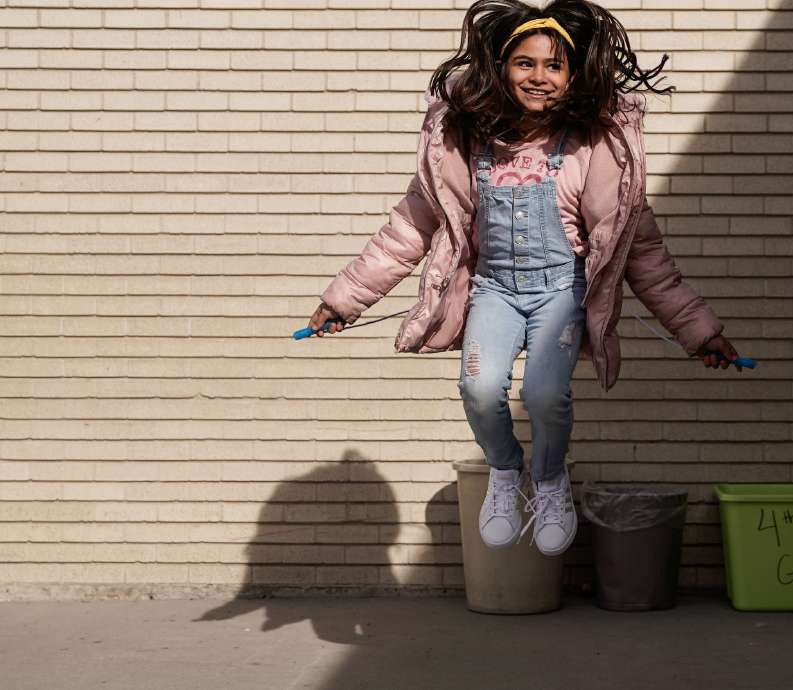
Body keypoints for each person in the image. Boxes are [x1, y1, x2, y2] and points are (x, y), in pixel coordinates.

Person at [306, 0, 738, 558]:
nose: (539, 76)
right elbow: (406, 231)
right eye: (525, 63)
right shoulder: (465, 147)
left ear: (574, 74)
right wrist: (343, 301)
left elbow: (647, 256)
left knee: (543, 392)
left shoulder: (594, 150)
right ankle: (506, 473)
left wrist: (700, 332)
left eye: (554, 65)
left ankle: (551, 479)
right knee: (480, 389)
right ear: (500, 69)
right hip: (495, 290)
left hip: (561, 292)